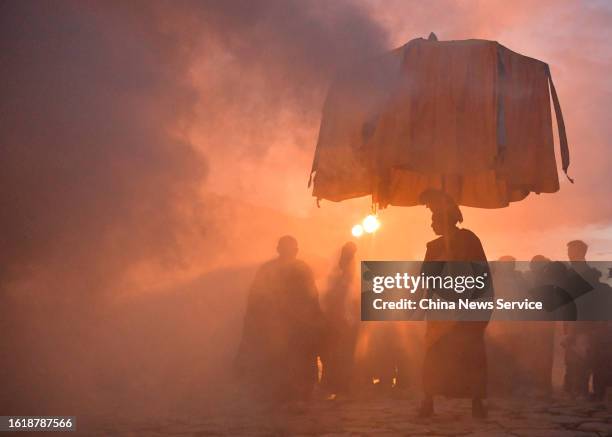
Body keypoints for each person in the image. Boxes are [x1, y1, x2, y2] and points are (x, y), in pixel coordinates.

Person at [417, 190, 490, 419]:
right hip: (440, 315)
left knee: (471, 357)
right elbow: (426, 281)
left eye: (433, 220)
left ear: (443, 220)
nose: (431, 225)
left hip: (465, 313)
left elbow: (481, 276)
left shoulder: (469, 240)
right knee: (435, 357)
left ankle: (477, 402)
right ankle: (428, 400)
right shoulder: (433, 247)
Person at [235, 236, 324, 402]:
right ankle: (289, 396)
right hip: (280, 328)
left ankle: (293, 397)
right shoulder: (276, 269)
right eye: (288, 249)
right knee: (284, 365)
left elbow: (312, 298)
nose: (290, 253)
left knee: (294, 365)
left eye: (291, 249)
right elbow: (255, 300)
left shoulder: (295, 269)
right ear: (280, 250)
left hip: (295, 328)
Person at [320, 242, 359, 395]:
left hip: (344, 321)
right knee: (339, 354)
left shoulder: (348, 279)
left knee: (343, 354)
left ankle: (342, 386)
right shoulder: (341, 278)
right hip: (339, 321)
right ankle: (339, 385)